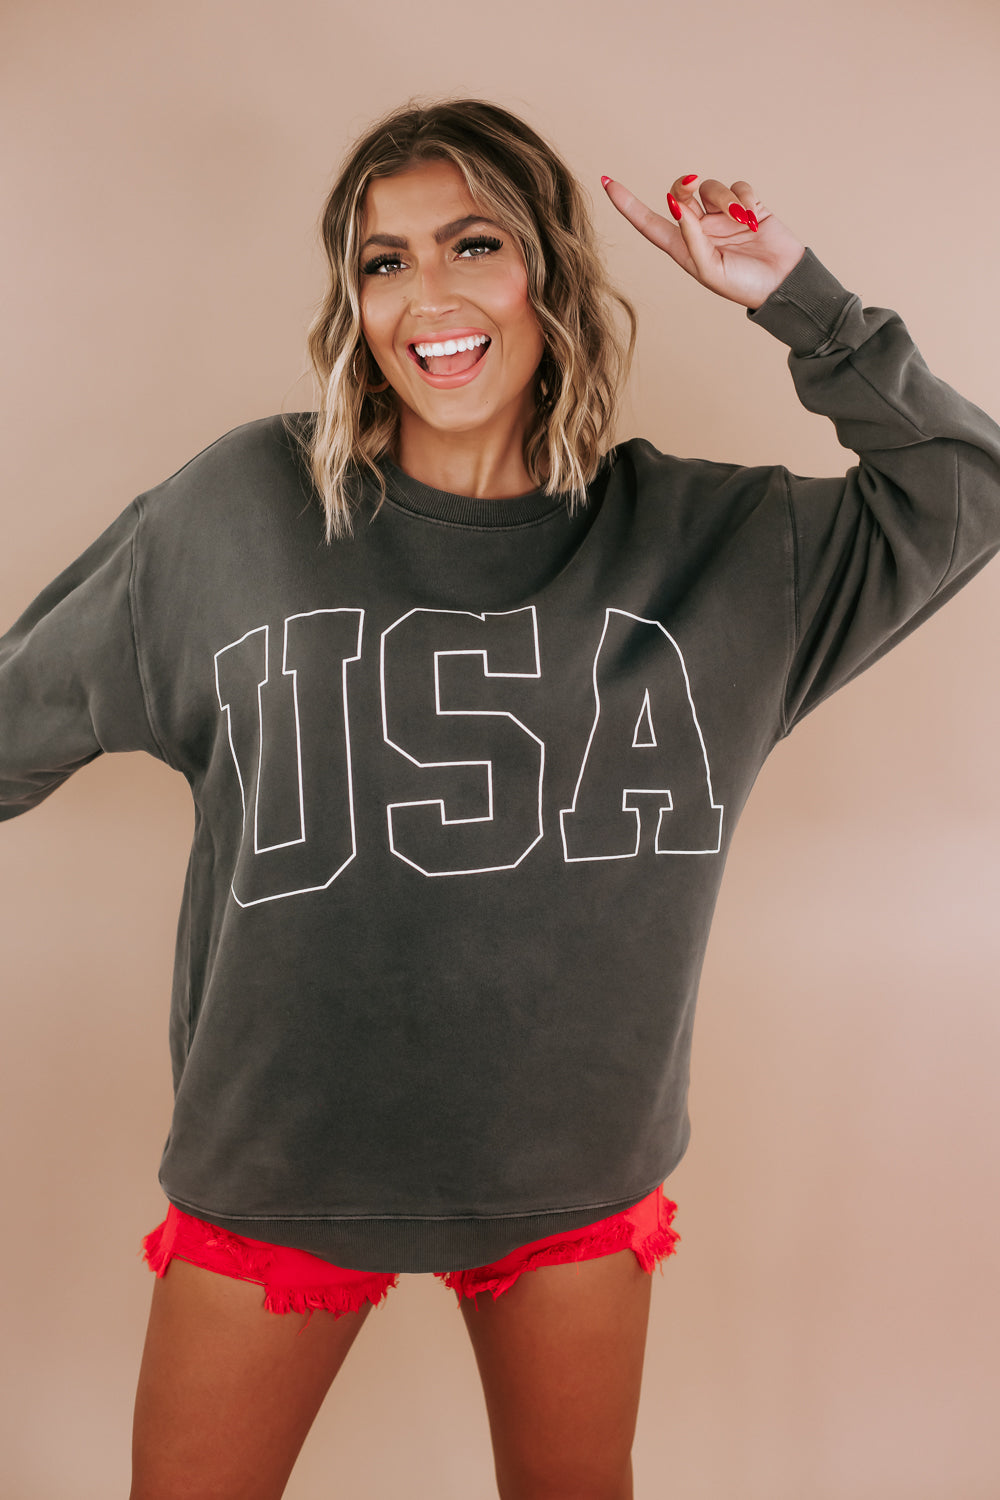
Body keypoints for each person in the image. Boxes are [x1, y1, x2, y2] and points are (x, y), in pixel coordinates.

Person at [2, 95, 998, 1500]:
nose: (429, 296)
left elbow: (963, 488)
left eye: (474, 243)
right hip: (284, 1160)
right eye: (384, 260)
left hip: (572, 1170)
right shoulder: (237, 512)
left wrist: (804, 303)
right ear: (354, 302)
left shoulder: (714, 549)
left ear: (551, 273)